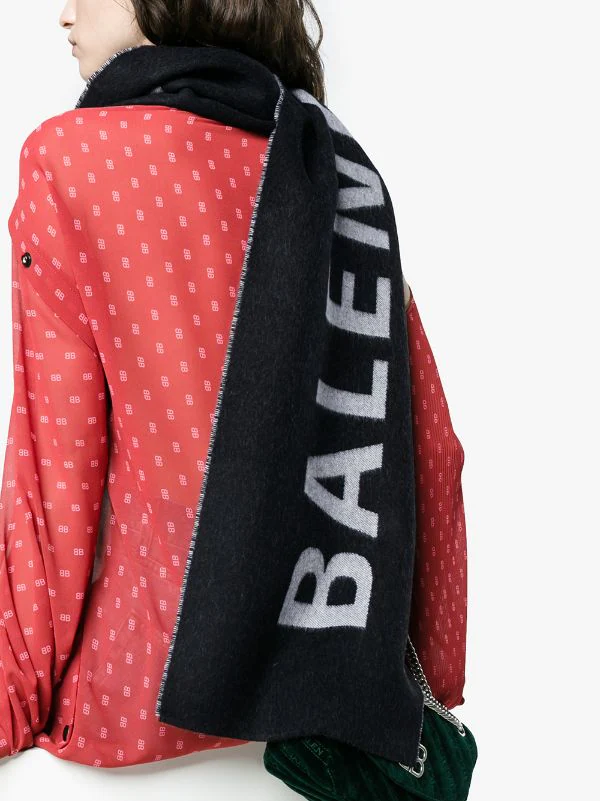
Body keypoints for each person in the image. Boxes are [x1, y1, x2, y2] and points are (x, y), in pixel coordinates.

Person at [0, 0, 467, 768]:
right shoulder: (338, 168)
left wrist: (13, 696)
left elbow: (56, 477)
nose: (64, 13)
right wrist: (428, 692)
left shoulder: (73, 159)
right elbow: (431, 457)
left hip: (141, 720)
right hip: (333, 737)